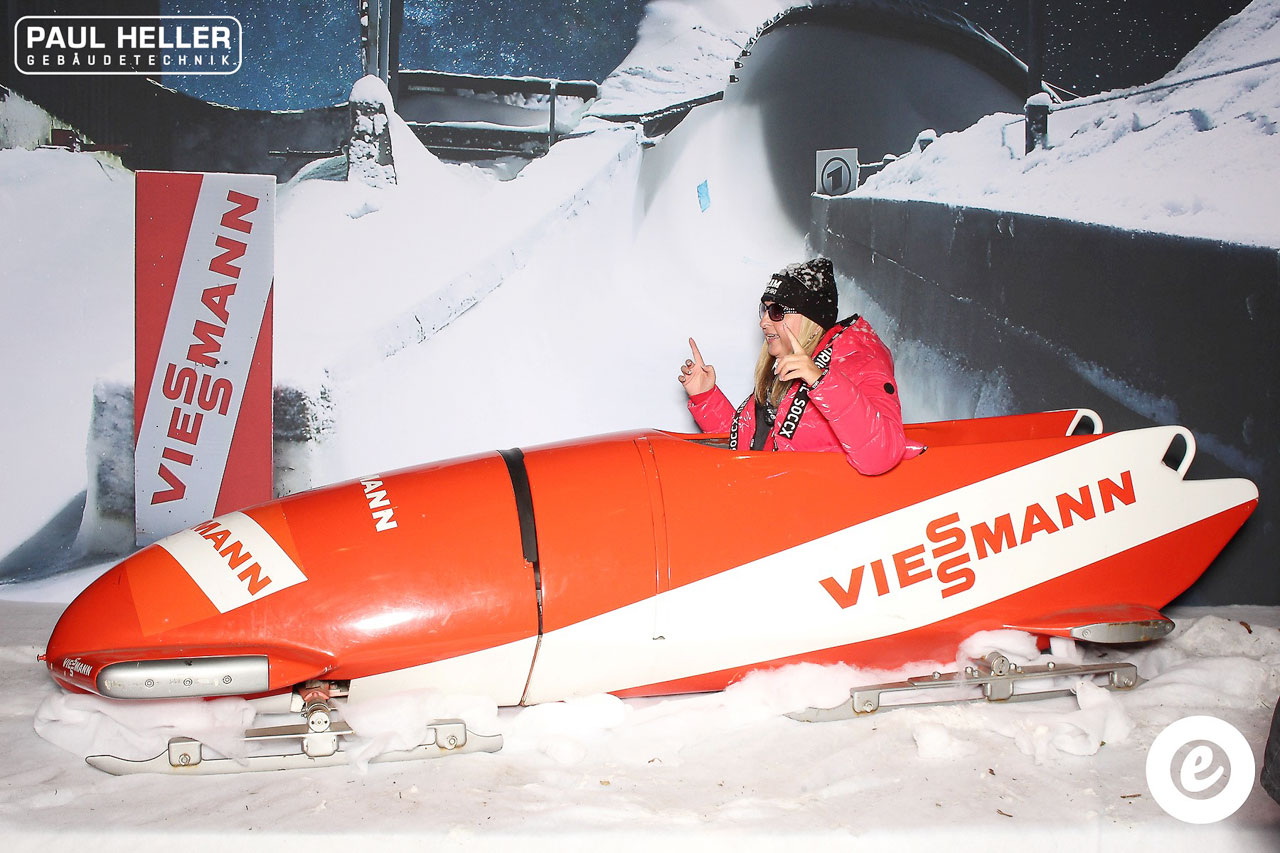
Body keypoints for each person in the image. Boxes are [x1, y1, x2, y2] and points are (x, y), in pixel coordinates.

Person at [678, 257, 913, 475]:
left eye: (776, 311)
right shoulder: (788, 366)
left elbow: (883, 455)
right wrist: (706, 398)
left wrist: (821, 382)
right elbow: (754, 452)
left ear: (812, 320)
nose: (763, 321)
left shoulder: (860, 362)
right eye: (764, 310)